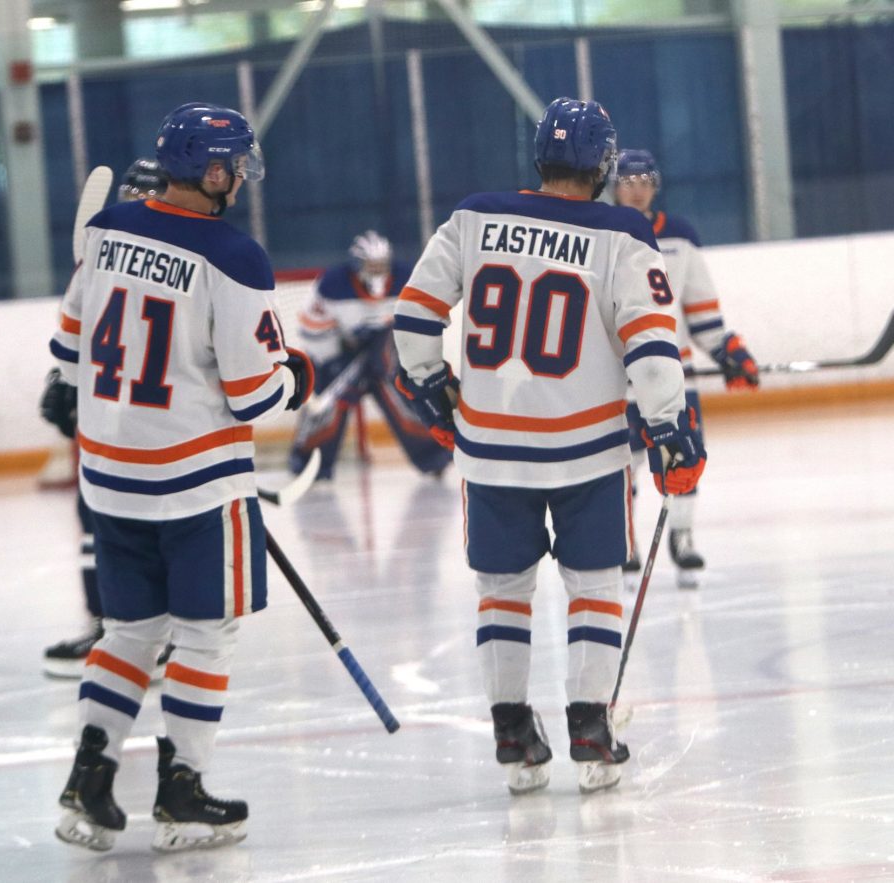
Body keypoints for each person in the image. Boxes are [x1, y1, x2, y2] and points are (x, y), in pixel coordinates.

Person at [392, 97, 705, 795]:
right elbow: (652, 345)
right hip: (588, 450)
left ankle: (511, 733)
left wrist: (429, 383)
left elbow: (413, 314)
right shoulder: (623, 234)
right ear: (603, 164)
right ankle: (590, 728)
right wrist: (667, 429)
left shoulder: (474, 216)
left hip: (491, 449)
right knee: (593, 587)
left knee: (501, 591)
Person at [48, 103, 312, 853]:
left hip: (110, 479)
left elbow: (69, 352)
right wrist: (300, 375)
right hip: (198, 483)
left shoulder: (105, 231)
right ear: (214, 169)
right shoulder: (234, 255)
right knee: (204, 634)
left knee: (128, 631)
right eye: (236, 164)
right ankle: (184, 793)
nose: (242, 178)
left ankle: (88, 785)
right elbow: (256, 393)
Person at [41, 158, 173, 678]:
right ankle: (111, 628)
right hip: (110, 424)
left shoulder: (185, 261)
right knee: (94, 519)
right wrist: (65, 383)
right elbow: (85, 331)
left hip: (161, 429)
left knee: (154, 527)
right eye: (131, 199)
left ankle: (161, 635)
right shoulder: (104, 258)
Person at [614, 148, 759, 588]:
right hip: (618, 381)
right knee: (622, 462)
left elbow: (701, 312)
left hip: (674, 376)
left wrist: (729, 352)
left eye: (645, 181)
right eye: (628, 181)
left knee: (683, 454)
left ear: (656, 186)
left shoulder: (680, 236)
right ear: (614, 186)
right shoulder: (601, 235)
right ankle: (624, 540)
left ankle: (682, 537)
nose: (637, 190)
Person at [288, 230, 451, 481]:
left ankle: (433, 456)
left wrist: (394, 347)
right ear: (357, 264)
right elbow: (311, 328)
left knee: (401, 392)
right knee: (327, 402)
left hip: (384, 352)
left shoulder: (406, 279)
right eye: (371, 264)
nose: (377, 269)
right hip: (342, 355)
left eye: (381, 264)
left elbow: (422, 321)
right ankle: (310, 465)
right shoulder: (333, 284)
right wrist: (332, 361)